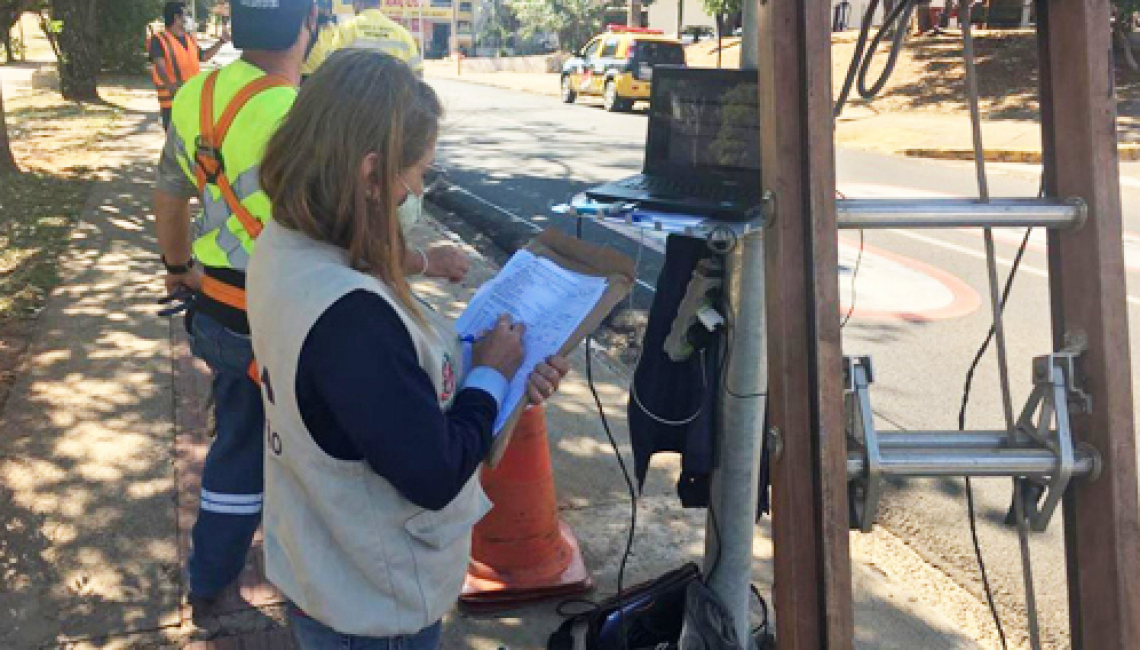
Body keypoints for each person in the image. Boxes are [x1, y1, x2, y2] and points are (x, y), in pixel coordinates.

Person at [153, 0, 471, 620]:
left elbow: (170, 193)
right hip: (282, 318)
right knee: (272, 450)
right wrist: (425, 263)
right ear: (307, 29)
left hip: (217, 301)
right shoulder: (309, 116)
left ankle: (209, 574)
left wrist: (176, 269)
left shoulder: (197, 93)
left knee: (240, 443)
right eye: (413, 174)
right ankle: (250, 573)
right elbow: (348, 233)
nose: (414, 188)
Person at [248, 49, 569, 649]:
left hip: (324, 561)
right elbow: (436, 470)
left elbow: (376, 399)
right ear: (372, 175)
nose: (418, 189)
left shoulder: (284, 245)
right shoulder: (351, 318)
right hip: (375, 602)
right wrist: (491, 376)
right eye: (417, 172)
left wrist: (493, 379)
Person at [148, 2, 229, 131]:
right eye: (185, 14)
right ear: (176, 17)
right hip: (172, 102)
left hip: (191, 99)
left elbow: (203, 57)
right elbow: (159, 65)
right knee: (174, 144)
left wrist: (221, 42)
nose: (187, 18)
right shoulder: (159, 40)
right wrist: (170, 85)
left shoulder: (189, 39)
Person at [302, 0, 424, 77]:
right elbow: (417, 74)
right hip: (393, 108)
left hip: (355, 107)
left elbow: (329, 67)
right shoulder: (403, 33)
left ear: (358, 3)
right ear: (379, 4)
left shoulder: (346, 29)